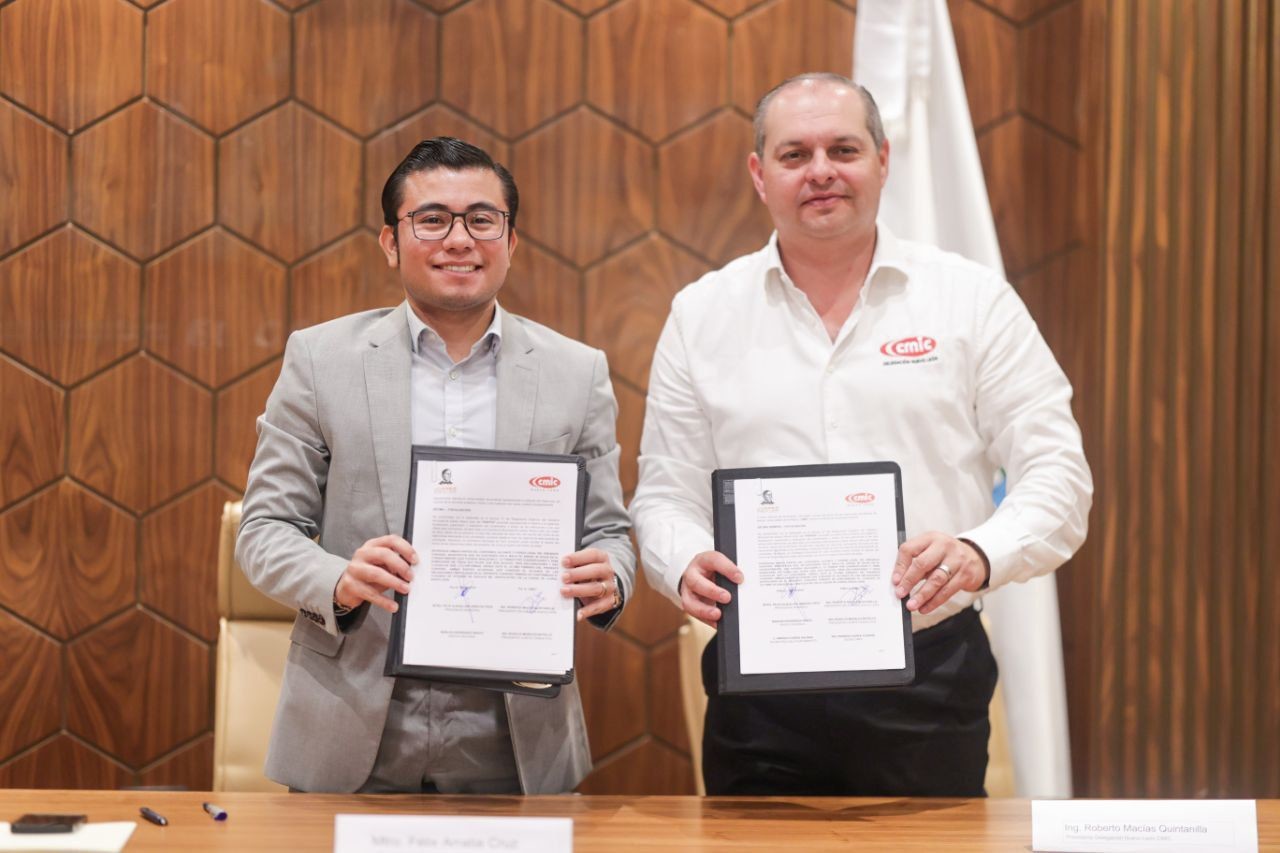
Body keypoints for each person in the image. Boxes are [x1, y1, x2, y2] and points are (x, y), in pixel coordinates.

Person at [630, 73, 1092, 796]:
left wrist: (977, 551)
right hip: (759, 690)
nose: (820, 171)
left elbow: (1059, 476)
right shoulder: (702, 314)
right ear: (759, 174)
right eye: (794, 154)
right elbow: (663, 491)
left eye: (843, 149)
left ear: (883, 159)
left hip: (929, 674)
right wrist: (682, 558)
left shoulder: (970, 299)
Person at [236, 137, 634, 794]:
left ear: (511, 239)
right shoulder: (320, 360)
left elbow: (611, 535)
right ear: (390, 241)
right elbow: (264, 531)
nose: (460, 239)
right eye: (432, 219)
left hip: (515, 732)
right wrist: (341, 577)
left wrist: (610, 575)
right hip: (351, 723)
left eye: (482, 219)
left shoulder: (576, 372)